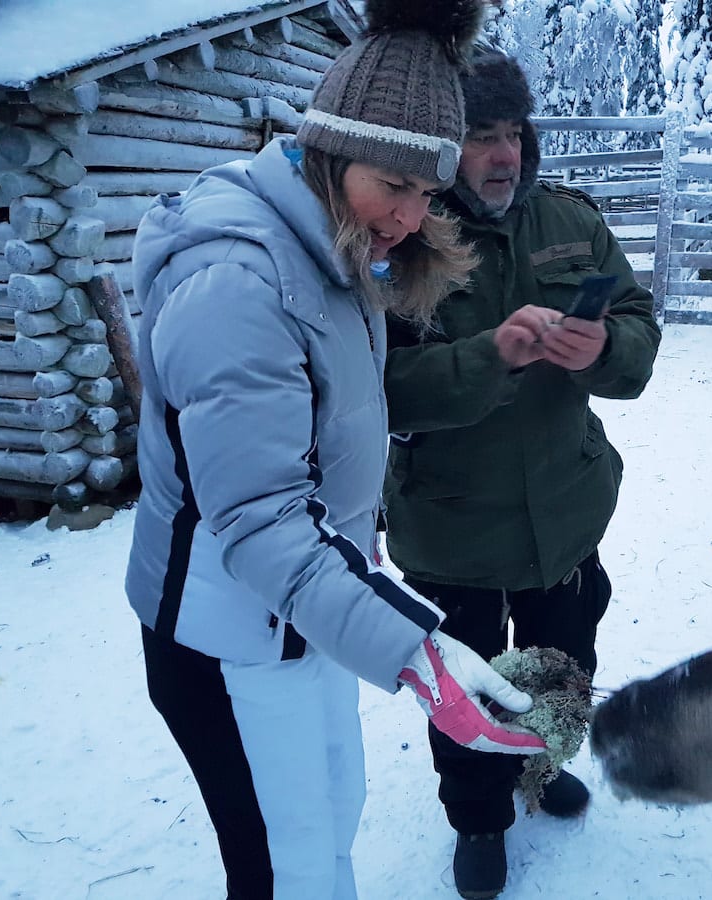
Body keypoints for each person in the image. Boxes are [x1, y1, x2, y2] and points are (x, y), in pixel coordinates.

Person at [123, 5, 547, 899]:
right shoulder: (238, 281)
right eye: (393, 183)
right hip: (228, 635)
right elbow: (261, 518)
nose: (407, 215)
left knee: (330, 816)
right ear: (327, 150)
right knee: (289, 871)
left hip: (307, 615)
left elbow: (338, 432)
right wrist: (420, 652)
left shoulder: (338, 251)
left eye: (427, 193)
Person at [382, 47, 662, 900]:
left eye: (512, 133)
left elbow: (640, 330)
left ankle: (539, 768)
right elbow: (374, 393)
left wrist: (608, 348)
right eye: (477, 137)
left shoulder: (572, 221)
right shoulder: (400, 236)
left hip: (567, 516)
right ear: (437, 144)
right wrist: (489, 356)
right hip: (453, 524)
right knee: (469, 695)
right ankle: (478, 818)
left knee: (563, 667)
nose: (504, 156)